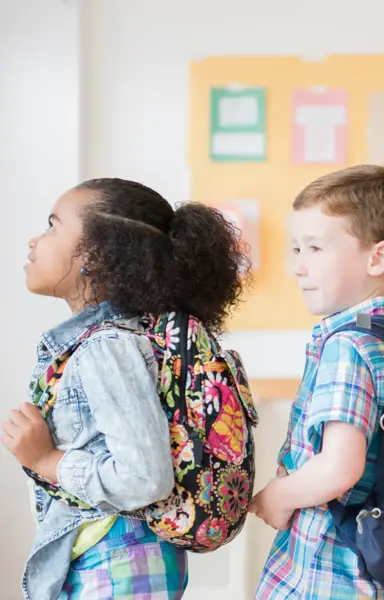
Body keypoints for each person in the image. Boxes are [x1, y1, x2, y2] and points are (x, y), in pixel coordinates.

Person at [3, 178, 246, 599]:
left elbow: (144, 478)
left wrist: (46, 460)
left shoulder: (106, 347)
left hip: (117, 567)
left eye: (52, 225)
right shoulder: (113, 340)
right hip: (120, 560)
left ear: (96, 254)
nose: (34, 240)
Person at [252, 165, 384, 600]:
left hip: (324, 575)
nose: (298, 267)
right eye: (297, 248)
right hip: (371, 572)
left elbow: (339, 468)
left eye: (315, 248)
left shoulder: (348, 346)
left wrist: (276, 496)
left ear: (377, 258)